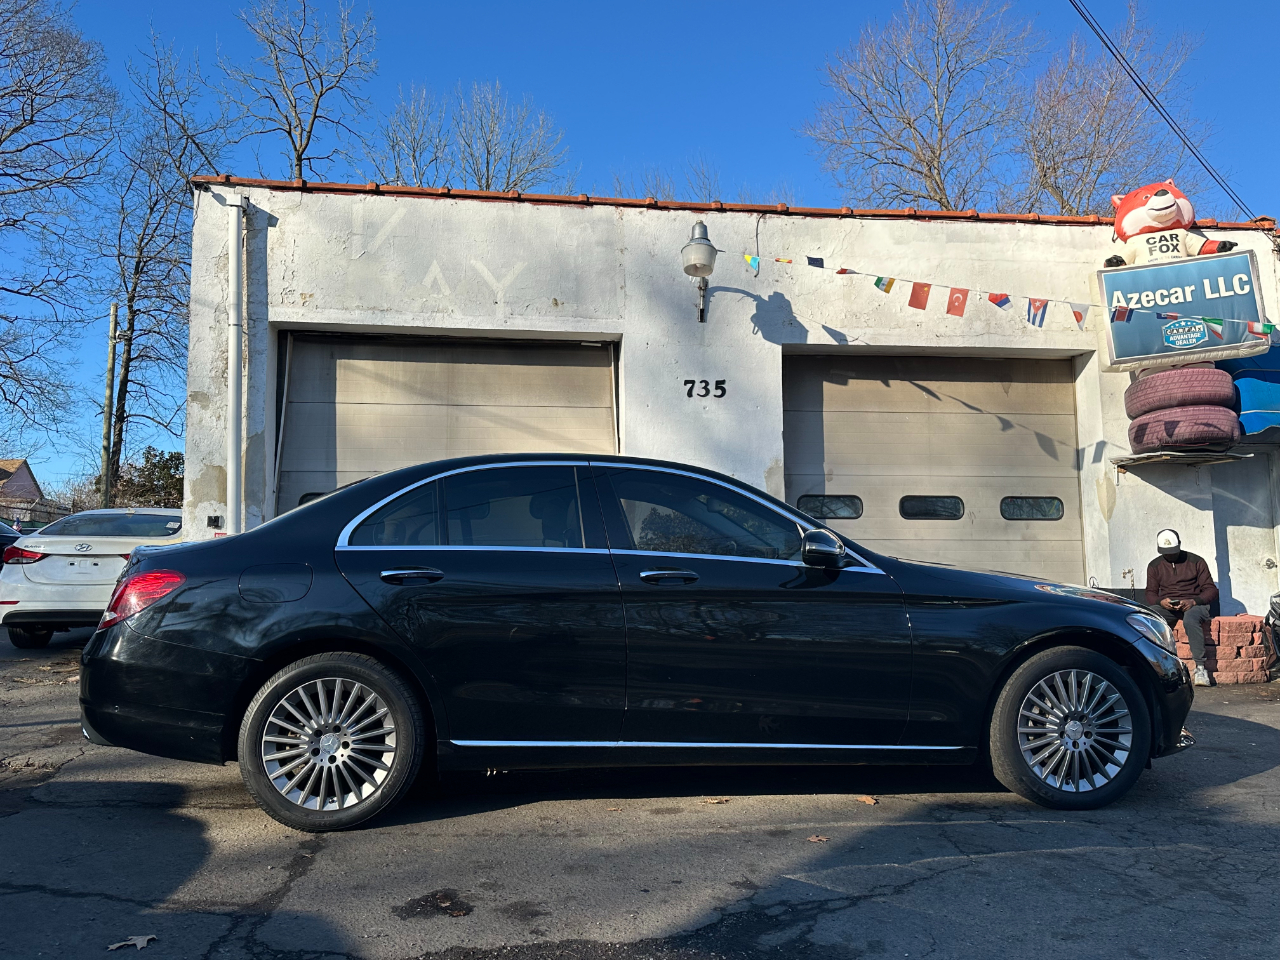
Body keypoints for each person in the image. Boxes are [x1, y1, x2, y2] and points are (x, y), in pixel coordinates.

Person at [1144, 529, 1218, 687]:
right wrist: (1161, 601)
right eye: (1166, 552)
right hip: (1168, 605)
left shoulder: (1196, 561)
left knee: (1191, 620)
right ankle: (1156, 666)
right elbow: (1150, 593)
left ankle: (1200, 668)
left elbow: (1211, 590)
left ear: (1180, 545)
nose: (1170, 555)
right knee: (1152, 618)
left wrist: (1194, 601)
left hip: (1195, 603)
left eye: (1172, 552)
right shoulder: (1154, 565)